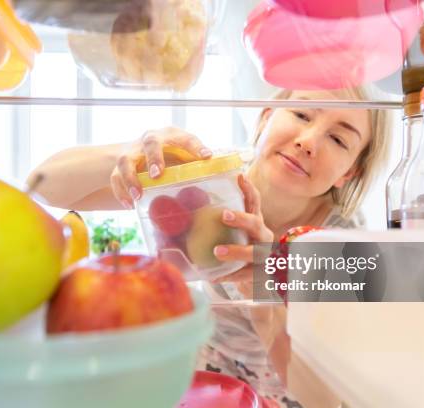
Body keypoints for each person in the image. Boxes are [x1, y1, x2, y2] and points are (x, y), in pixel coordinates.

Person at [28, 86, 391, 406]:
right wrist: (130, 155)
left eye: (339, 140)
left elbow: (325, 402)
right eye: (301, 114)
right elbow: (44, 184)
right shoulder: (212, 179)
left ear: (350, 172)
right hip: (194, 375)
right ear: (266, 118)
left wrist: (265, 294)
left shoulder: (343, 244)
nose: (308, 141)